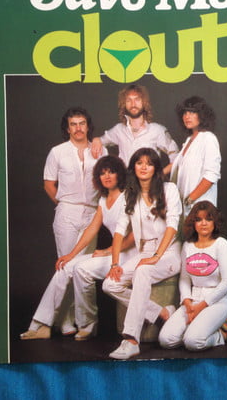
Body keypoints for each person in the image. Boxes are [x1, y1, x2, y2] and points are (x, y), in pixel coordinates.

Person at [20, 107, 105, 339]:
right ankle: (64, 320)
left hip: (93, 213)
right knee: (65, 265)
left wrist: (99, 141)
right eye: (73, 124)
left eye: (82, 123)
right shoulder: (57, 152)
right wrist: (63, 205)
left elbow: (109, 178)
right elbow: (49, 184)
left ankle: (79, 321)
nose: (78, 128)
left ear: (88, 126)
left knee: (81, 268)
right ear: (67, 128)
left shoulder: (99, 150)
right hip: (67, 211)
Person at [103, 147, 182, 360]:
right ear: (134, 167)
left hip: (168, 252)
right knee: (109, 284)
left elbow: (172, 226)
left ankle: (131, 340)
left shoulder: (169, 189)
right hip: (144, 252)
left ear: (156, 168)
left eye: (149, 163)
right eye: (139, 163)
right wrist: (115, 264)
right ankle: (162, 313)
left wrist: (156, 256)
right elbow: (119, 231)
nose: (144, 167)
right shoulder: (129, 194)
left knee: (143, 271)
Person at [70, 156, 138, 341]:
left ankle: (88, 324)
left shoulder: (128, 196)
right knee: (74, 266)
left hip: (130, 253)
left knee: (82, 269)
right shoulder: (103, 199)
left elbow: (134, 236)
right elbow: (92, 228)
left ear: (119, 174)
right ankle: (86, 323)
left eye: (111, 172)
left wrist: (108, 251)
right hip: (115, 252)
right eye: (102, 173)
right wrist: (72, 254)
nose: (107, 176)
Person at [158, 201, 227, 351]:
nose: (204, 223)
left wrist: (201, 307)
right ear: (193, 223)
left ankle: (221, 335)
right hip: (193, 300)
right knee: (166, 340)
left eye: (208, 219)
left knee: (193, 342)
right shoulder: (187, 246)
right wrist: (188, 303)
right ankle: (200, 329)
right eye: (199, 219)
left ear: (215, 222)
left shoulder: (222, 245)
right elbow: (184, 279)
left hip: (216, 302)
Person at [91, 84, 179, 175]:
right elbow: (100, 141)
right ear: (124, 104)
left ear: (144, 102)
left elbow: (176, 156)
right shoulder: (118, 130)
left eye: (137, 99)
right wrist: (96, 139)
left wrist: (159, 176)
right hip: (125, 182)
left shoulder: (157, 130)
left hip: (149, 183)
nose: (133, 104)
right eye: (129, 100)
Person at [170, 96, 221, 216]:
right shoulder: (189, 140)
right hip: (183, 208)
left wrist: (190, 199)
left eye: (192, 112)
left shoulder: (208, 138)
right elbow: (178, 164)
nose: (187, 116)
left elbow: (211, 175)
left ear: (202, 115)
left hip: (199, 208)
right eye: (185, 113)